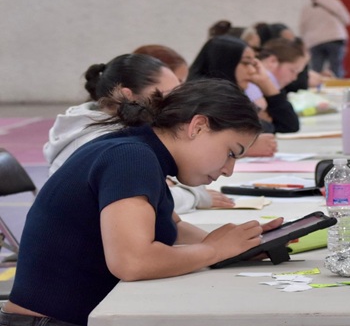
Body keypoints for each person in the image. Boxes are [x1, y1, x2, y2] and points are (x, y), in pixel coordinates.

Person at [7, 79, 285, 326]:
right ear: (198, 127)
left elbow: (172, 227)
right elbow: (133, 261)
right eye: (231, 153)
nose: (229, 170)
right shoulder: (131, 157)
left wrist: (238, 247)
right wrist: (213, 250)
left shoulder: (143, 151)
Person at [42, 53, 235, 213]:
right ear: (128, 96)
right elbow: (146, 200)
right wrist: (196, 196)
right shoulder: (110, 144)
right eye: (166, 96)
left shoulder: (96, 124)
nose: (176, 105)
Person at [188, 34, 298, 135]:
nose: (252, 70)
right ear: (225, 63)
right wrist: (263, 123)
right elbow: (253, 128)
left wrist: (266, 83)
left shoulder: (231, 95)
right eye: (246, 63)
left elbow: (289, 125)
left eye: (253, 64)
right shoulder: (208, 98)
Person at [298, 0, 350, 78]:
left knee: (316, 68)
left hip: (314, 41)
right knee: (336, 67)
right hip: (335, 37)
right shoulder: (334, 3)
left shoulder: (307, 8)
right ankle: (338, 85)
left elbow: (302, 27)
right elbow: (348, 20)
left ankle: (315, 85)